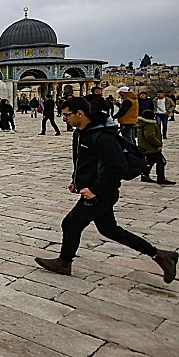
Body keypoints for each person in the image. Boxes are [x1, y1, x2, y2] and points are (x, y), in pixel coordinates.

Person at [35, 97, 178, 283]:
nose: (64, 119)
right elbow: (85, 162)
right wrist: (76, 181)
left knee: (71, 223)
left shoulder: (103, 137)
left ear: (80, 113)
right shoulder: (82, 133)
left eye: (66, 115)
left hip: (102, 193)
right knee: (109, 229)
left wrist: (94, 189)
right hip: (95, 190)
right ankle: (161, 255)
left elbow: (116, 168)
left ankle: (64, 262)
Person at [138, 110, 174, 185]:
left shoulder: (141, 124)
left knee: (150, 161)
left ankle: (145, 175)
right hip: (151, 148)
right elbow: (150, 136)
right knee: (161, 161)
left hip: (145, 147)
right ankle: (161, 178)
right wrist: (158, 144)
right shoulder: (150, 125)